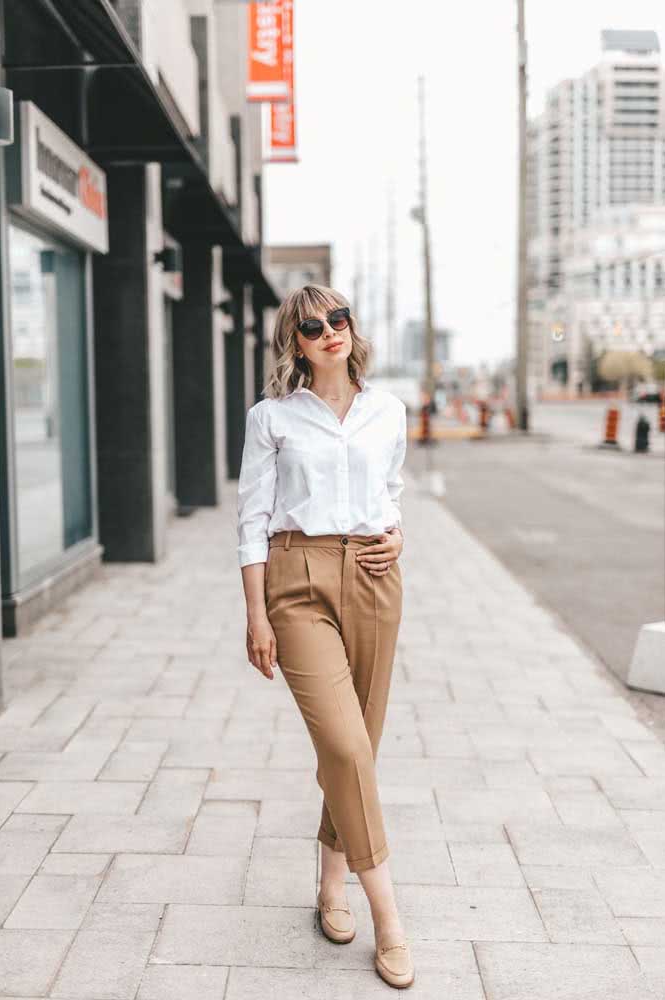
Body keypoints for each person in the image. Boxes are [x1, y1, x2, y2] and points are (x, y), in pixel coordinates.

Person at [236, 283, 414, 989]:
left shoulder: (387, 409)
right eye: (312, 326)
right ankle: (390, 920)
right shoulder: (271, 416)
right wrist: (255, 614)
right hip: (297, 577)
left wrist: (397, 535)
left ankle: (329, 883)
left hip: (373, 575)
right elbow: (251, 516)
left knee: (357, 751)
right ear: (295, 342)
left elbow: (389, 493)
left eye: (338, 319)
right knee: (343, 745)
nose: (329, 332)